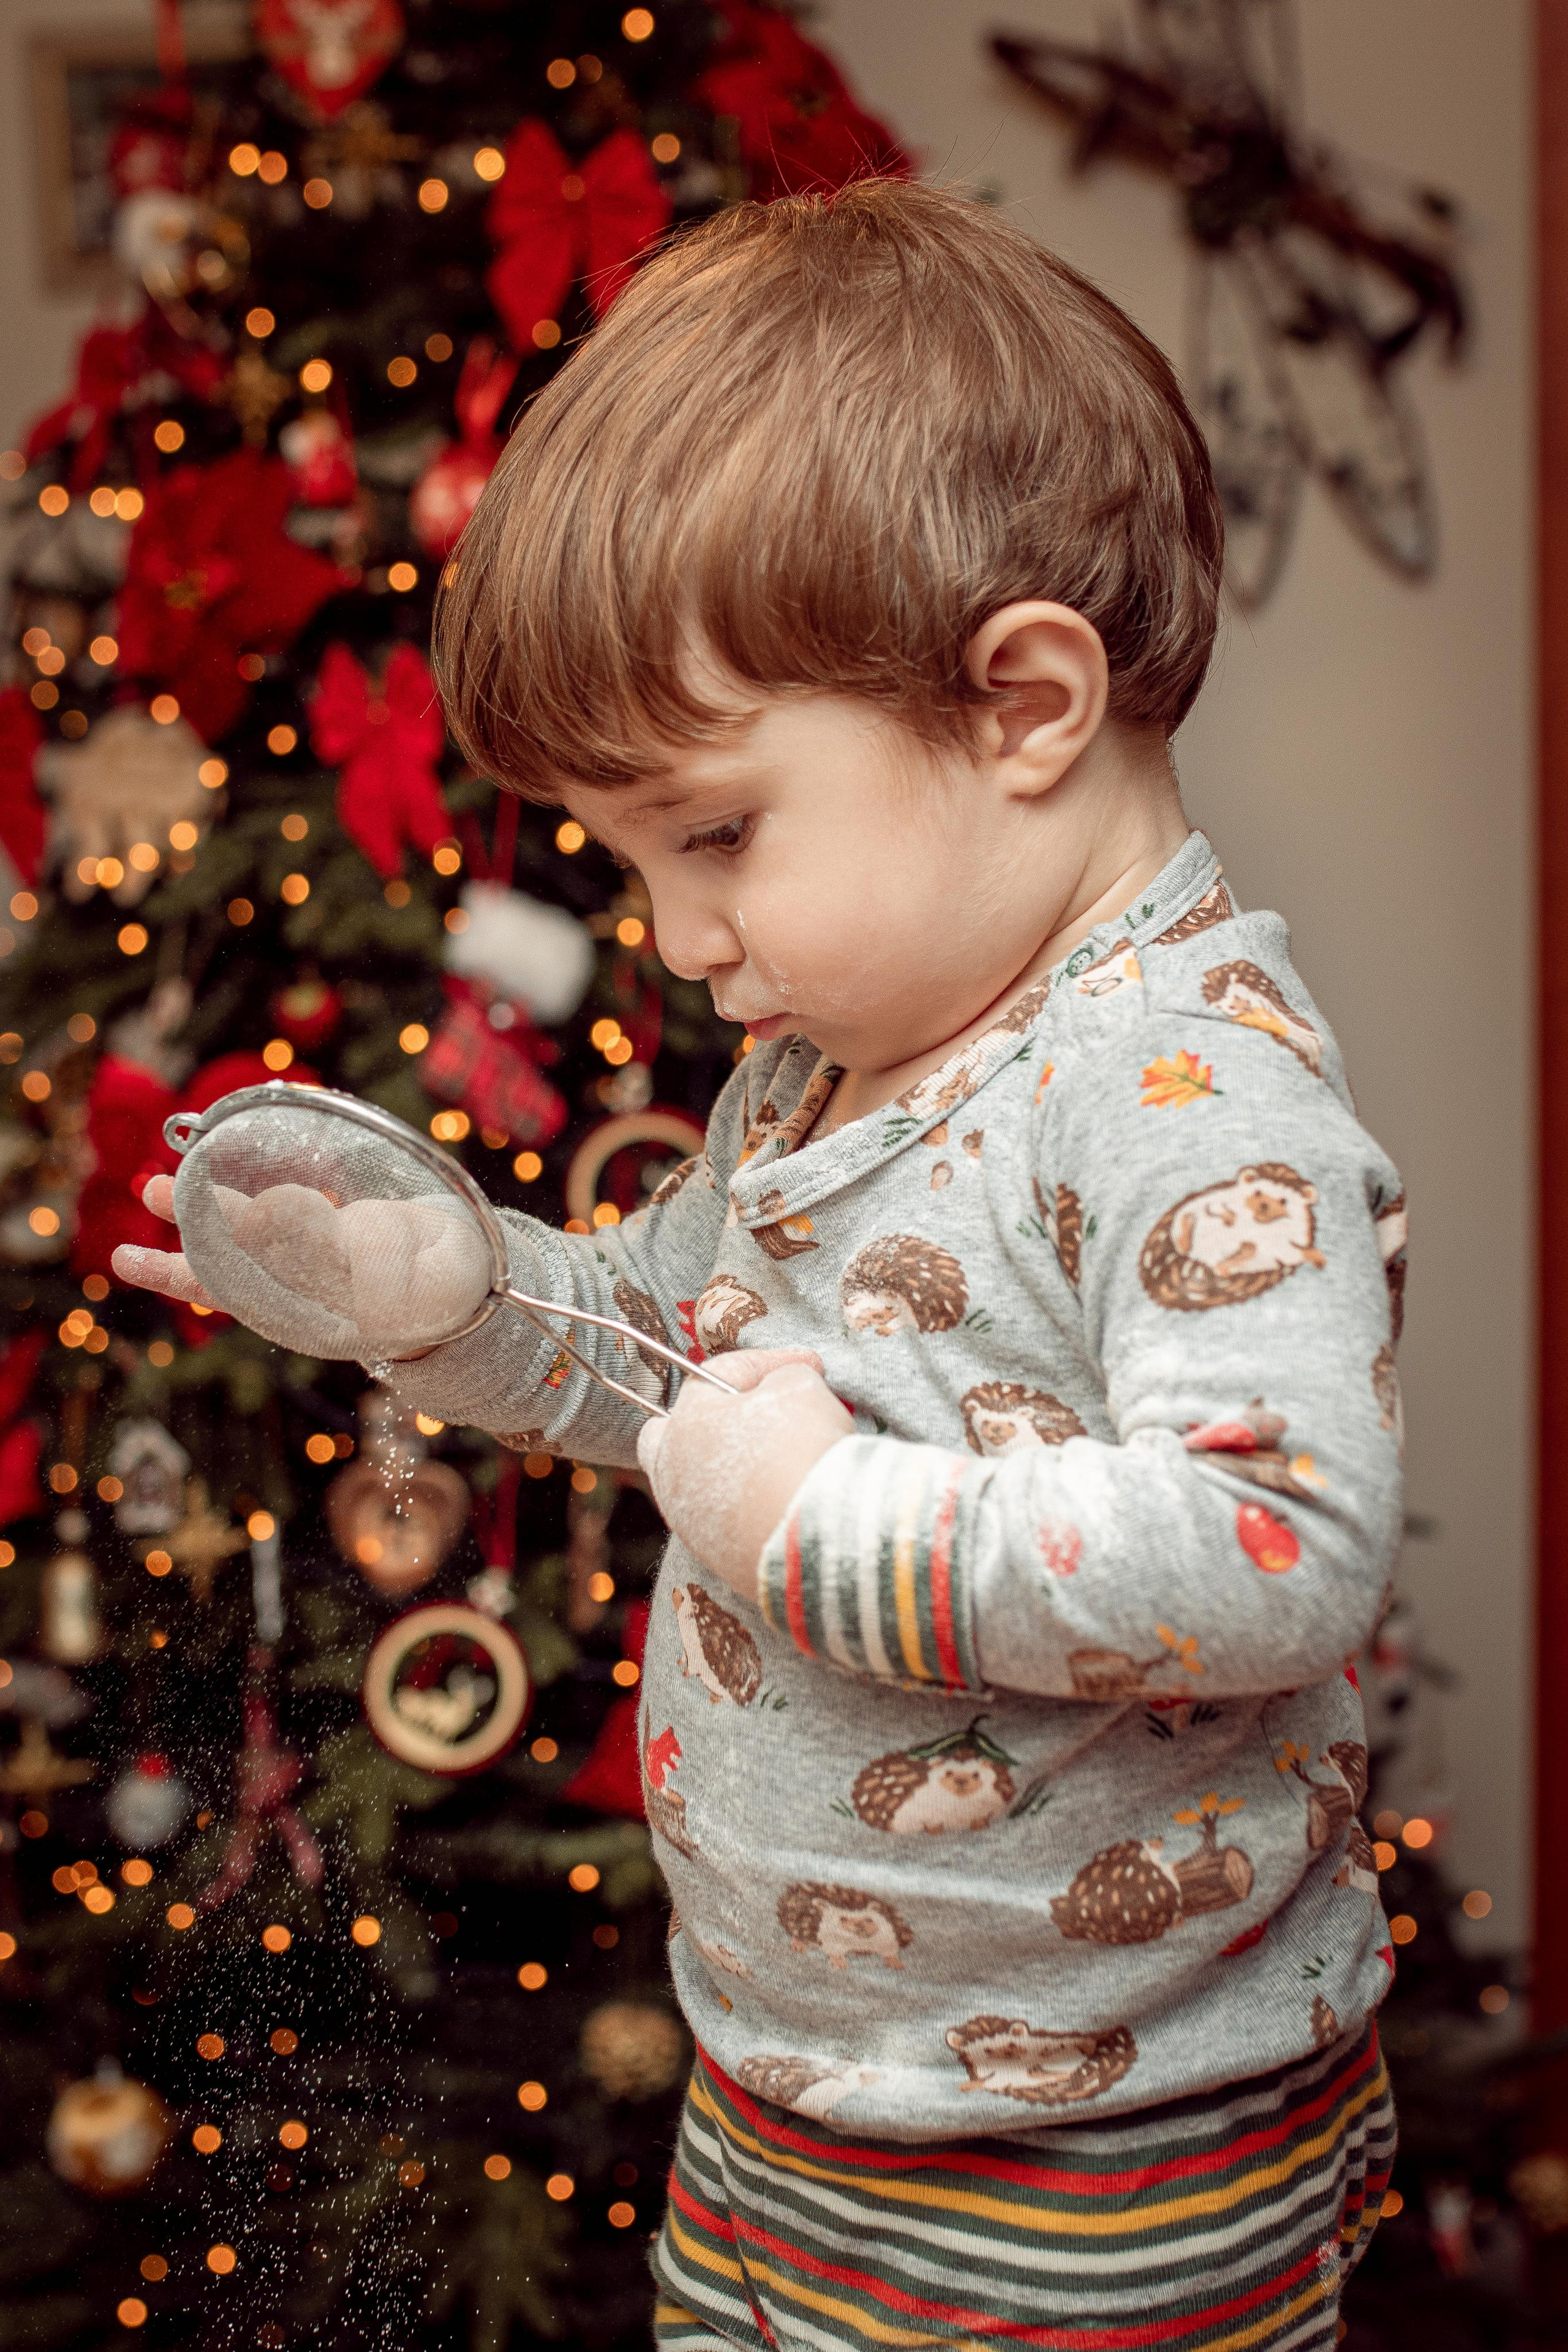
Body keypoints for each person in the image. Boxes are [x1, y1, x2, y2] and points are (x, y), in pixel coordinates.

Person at [118, 180, 1404, 2351]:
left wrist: (819, 1527)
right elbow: (679, 1363)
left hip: (1096, 2155)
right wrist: (453, 1298)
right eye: (632, 861)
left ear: (1025, 704)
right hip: (794, 2091)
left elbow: (1279, 1545)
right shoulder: (828, 1069)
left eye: (713, 832)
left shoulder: (1181, 1088)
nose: (678, 936)